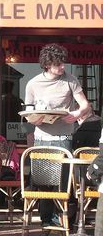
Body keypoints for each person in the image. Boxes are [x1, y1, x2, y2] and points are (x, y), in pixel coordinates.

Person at [24, 43, 90, 227]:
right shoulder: (32, 84)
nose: (63, 67)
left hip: (64, 140)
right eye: (58, 64)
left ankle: (67, 221)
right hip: (41, 139)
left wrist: (77, 114)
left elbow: (85, 105)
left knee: (65, 183)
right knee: (43, 183)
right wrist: (34, 119)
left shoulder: (71, 80)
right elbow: (29, 112)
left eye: (63, 63)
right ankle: (46, 221)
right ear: (47, 64)